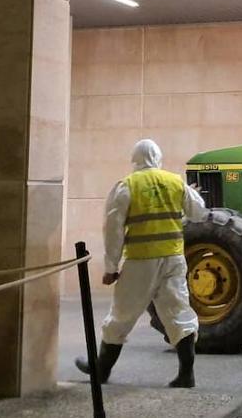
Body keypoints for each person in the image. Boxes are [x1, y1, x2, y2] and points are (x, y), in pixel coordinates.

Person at [76, 139, 204, 388]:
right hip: (174, 259)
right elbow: (199, 212)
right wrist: (191, 197)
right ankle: (186, 374)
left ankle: (101, 370)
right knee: (179, 314)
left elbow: (113, 229)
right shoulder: (175, 181)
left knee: (121, 315)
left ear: (134, 160)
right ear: (158, 157)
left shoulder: (128, 185)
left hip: (140, 261)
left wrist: (111, 268)